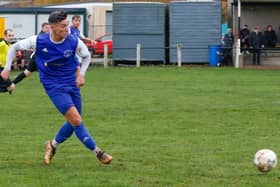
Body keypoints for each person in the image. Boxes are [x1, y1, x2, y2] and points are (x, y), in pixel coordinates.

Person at [1, 10, 112, 165]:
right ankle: (99, 152)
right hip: (53, 86)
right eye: (63, 26)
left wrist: (82, 75)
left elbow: (86, 56)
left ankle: (52, 146)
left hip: (71, 83)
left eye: (67, 25)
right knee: (76, 119)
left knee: (75, 122)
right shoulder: (39, 41)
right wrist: (7, 68)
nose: (67, 29)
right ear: (52, 27)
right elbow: (14, 48)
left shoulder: (73, 41)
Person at [0, 29, 15, 93]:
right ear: (5, 36)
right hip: (1, 69)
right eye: (9, 35)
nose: (11, 37)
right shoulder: (2, 44)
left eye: (12, 35)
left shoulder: (9, 45)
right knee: (11, 86)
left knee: (10, 88)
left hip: (4, 69)